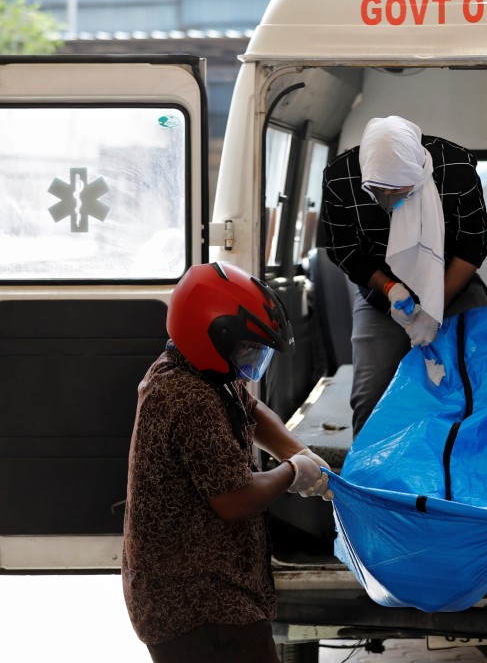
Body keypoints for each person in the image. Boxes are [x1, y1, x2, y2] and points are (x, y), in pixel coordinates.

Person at [122, 262, 334, 663]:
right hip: (197, 605)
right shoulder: (188, 397)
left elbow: (249, 407)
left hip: (210, 592)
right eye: (248, 348)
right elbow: (234, 500)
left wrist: (298, 452)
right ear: (212, 335)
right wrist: (292, 473)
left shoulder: (199, 370)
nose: (252, 359)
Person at [321, 115, 487, 435]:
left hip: (452, 280)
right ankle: (373, 480)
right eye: (380, 192)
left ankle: (461, 475)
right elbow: (343, 250)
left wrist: (433, 307)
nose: (391, 201)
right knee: (370, 399)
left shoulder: (456, 170)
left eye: (400, 191)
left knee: (467, 388)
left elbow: (473, 244)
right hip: (381, 292)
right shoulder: (339, 178)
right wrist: (390, 288)